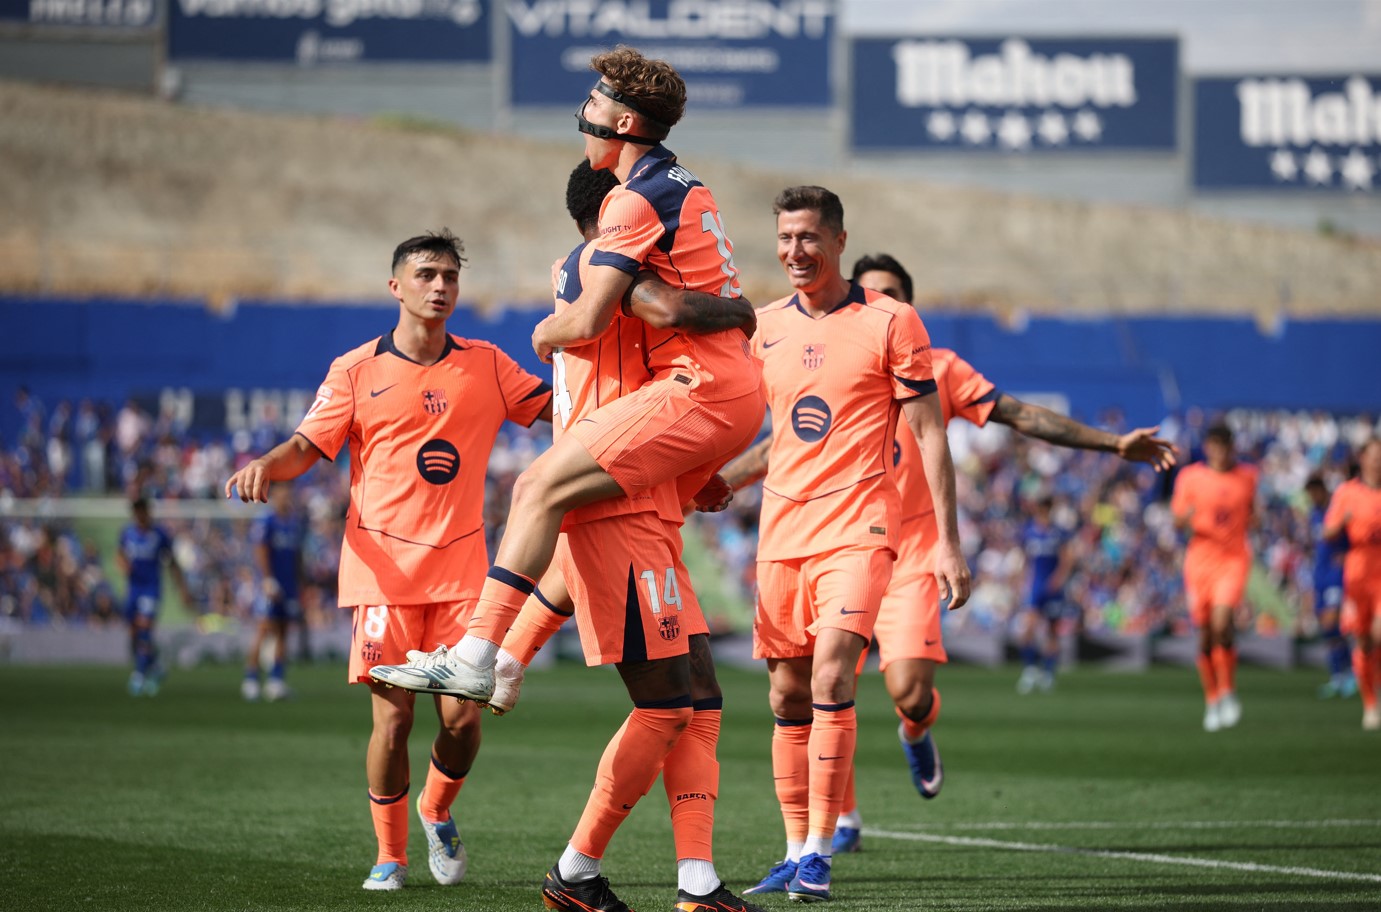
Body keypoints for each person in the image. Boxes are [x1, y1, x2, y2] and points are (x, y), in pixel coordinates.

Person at [734, 252, 1177, 854]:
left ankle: (917, 728)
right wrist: (707, 484)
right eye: (868, 292)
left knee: (907, 692)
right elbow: (775, 450)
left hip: (911, 554)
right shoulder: (826, 360)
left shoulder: (937, 370)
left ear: (906, 306)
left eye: (889, 293)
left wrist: (1110, 443)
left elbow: (1018, 414)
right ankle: (840, 822)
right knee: (827, 685)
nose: (876, 302)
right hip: (839, 542)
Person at [368, 46, 764, 705]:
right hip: (724, 389)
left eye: (597, 104)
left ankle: (478, 657)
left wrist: (542, 333)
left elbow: (585, 324)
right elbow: (672, 301)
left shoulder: (631, 204)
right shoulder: (686, 185)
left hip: (699, 388)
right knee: (557, 507)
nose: (584, 115)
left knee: (539, 484)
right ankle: (495, 659)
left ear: (627, 125)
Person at [225, 230, 554, 891]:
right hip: (383, 576)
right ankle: (390, 856)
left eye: (450, 277)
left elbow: (557, 411)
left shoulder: (488, 365)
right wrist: (267, 464)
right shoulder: (354, 370)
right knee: (393, 716)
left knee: (461, 719)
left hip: (465, 577)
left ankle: (436, 808)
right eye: (426, 274)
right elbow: (303, 444)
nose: (439, 287)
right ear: (395, 286)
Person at [479, 160, 763, 912]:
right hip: (619, 505)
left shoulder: (583, 272)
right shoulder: (599, 270)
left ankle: (697, 882)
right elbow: (670, 308)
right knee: (669, 703)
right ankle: (574, 871)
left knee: (700, 696)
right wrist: (736, 309)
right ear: (618, 217)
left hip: (638, 495)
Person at [715, 187, 968, 903]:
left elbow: (927, 433)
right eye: (784, 237)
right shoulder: (761, 328)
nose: (794, 251)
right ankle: (794, 848)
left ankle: (822, 848)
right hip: (782, 533)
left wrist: (948, 543)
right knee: (788, 693)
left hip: (860, 529)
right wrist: (716, 482)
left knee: (831, 678)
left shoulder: (890, 320)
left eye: (807, 237)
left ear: (836, 239)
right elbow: (773, 440)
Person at [1170, 423, 1259, 733]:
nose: (1219, 452)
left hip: (1232, 559)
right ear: (1207, 447)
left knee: (1223, 623)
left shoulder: (1248, 476)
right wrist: (1184, 518)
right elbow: (1178, 520)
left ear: (1231, 447)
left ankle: (1228, 691)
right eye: (1214, 445)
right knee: (1205, 634)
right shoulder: (1190, 477)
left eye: (1224, 445)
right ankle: (1212, 699)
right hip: (1200, 561)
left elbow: (1253, 514)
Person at [1323, 437, 1381, 729]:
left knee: (1379, 632)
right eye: (1373, 456)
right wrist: (1340, 523)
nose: (1377, 461)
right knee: (1363, 640)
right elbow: (1328, 533)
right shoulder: (1347, 492)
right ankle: (1370, 703)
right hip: (1358, 574)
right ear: (1362, 458)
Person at [117, 496, 191, 696]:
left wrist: (182, 588)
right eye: (136, 511)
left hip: (151, 588)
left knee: (144, 628)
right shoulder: (127, 533)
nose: (139, 515)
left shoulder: (159, 534)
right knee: (134, 634)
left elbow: (172, 562)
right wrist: (123, 566)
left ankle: (139, 674)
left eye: (142, 510)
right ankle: (156, 666)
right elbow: (120, 555)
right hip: (133, 589)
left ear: (148, 511)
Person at [242, 484, 305, 702]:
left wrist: (299, 584)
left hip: (289, 585)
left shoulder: (294, 523)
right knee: (264, 628)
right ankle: (250, 679)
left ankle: (276, 681)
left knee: (283, 631)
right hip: (270, 585)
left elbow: (297, 556)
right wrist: (268, 579)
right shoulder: (266, 521)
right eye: (282, 494)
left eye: (288, 494)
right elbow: (260, 549)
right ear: (274, 497)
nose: (285, 498)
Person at [1015, 495, 1077, 696]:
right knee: (1028, 629)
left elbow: (1067, 559)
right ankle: (1031, 669)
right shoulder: (1029, 531)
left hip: (1052, 587)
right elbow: (1025, 559)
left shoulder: (1058, 533)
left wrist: (1058, 579)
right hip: (1035, 586)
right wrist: (1023, 580)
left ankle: (1048, 673)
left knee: (1052, 631)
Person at [1307, 474, 1354, 699]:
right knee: (1327, 628)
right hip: (1320, 574)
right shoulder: (1314, 513)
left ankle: (1350, 672)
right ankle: (1339, 675)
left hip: (1336, 574)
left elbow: (1353, 537)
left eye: (1315, 492)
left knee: (1332, 621)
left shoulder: (1337, 511)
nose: (1312, 497)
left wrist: (1348, 555)